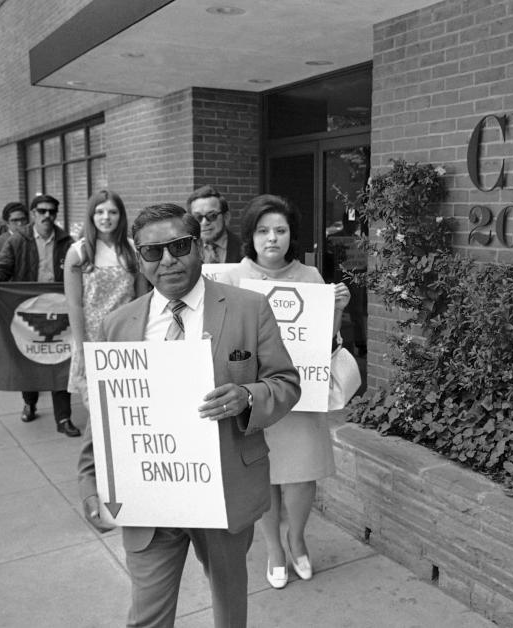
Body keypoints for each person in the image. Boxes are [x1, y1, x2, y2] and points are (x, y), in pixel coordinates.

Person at [77, 203, 300, 628]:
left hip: (223, 488)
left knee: (229, 609)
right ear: (139, 257)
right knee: (148, 616)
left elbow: (286, 383)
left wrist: (248, 397)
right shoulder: (118, 325)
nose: (167, 260)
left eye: (178, 246)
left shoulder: (249, 309)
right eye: (152, 251)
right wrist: (90, 478)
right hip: (150, 497)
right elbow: (107, 411)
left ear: (198, 247)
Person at [223, 194, 350, 590]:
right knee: (263, 474)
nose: (272, 238)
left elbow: (324, 340)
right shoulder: (231, 278)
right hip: (256, 394)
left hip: (302, 392)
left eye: (280, 230)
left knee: (300, 474)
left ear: (292, 234)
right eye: (263, 231)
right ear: (251, 236)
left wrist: (338, 310)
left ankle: (296, 539)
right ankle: (274, 548)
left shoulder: (310, 277)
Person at [0, 194, 78, 437]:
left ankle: (63, 418)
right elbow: (2, 266)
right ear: (33, 214)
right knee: (29, 360)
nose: (47, 216)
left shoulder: (68, 242)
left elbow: (79, 270)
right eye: (42, 211)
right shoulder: (18, 242)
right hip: (28, 311)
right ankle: (30, 403)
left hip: (59, 311)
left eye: (51, 212)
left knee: (59, 361)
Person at [63, 190, 145, 408]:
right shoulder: (78, 252)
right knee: (98, 409)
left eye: (112, 212)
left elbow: (142, 297)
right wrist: (81, 348)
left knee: (128, 403)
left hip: (127, 336)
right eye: (99, 211)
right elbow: (74, 303)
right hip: (92, 339)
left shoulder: (132, 249)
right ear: (91, 215)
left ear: (121, 215)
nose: (106, 217)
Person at [186, 185, 243, 263]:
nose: (204, 222)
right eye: (197, 217)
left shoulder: (245, 249)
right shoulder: (184, 252)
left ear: (226, 217)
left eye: (212, 215)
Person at [0, 201, 30, 269]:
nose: (20, 223)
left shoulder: (33, 239)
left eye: (23, 219)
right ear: (7, 223)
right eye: (15, 220)